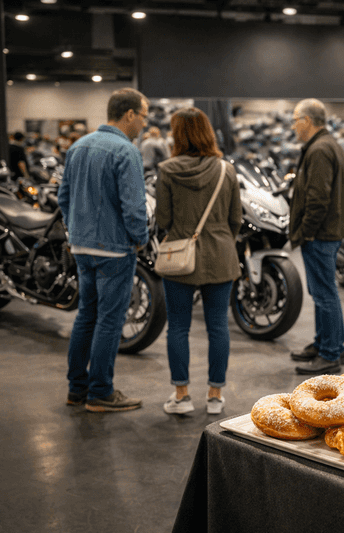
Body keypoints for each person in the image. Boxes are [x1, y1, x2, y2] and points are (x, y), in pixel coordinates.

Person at [57, 88, 149, 412]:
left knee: (86, 316)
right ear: (129, 115)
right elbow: (134, 206)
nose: (144, 123)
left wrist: (76, 231)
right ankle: (100, 392)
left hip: (81, 247)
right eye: (144, 115)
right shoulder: (126, 151)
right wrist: (141, 237)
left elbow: (63, 197)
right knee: (109, 321)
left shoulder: (78, 146)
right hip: (114, 249)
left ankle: (76, 390)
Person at [155, 108, 242, 415]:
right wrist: (220, 238)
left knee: (178, 327)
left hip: (180, 256)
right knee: (218, 326)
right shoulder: (225, 170)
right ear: (208, 132)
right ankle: (215, 396)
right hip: (221, 255)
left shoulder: (166, 170)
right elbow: (236, 219)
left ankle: (181, 396)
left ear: (178, 135)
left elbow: (163, 219)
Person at [288, 99, 344, 375]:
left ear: (307, 121)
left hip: (320, 234)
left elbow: (318, 200)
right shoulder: (324, 145)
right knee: (321, 293)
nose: (293, 126)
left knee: (325, 294)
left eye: (295, 120)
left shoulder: (320, 149)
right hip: (325, 232)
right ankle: (325, 342)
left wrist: (305, 233)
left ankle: (330, 354)